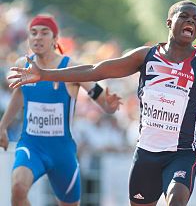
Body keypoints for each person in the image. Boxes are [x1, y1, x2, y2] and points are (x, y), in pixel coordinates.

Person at [7, 1, 196, 206]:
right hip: (146, 154)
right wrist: (44, 73)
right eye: (185, 16)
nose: (192, 21)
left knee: (176, 201)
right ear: (169, 22)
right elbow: (97, 70)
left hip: (182, 154)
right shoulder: (146, 58)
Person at [0, 15, 122, 206]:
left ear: (55, 39)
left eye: (44, 32)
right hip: (32, 145)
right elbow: (19, 95)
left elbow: (99, 96)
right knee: (18, 187)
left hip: (61, 151)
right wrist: (2, 126)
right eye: (33, 33)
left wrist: (109, 105)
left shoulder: (70, 67)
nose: (38, 37)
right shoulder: (24, 65)